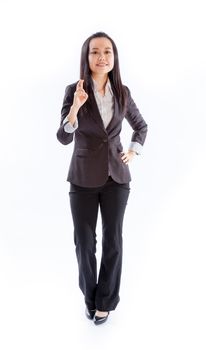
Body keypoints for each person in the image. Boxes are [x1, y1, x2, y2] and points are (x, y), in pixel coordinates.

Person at [56, 32, 148, 325]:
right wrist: (75, 108)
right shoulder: (74, 90)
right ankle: (90, 297)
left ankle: (106, 301)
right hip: (82, 177)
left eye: (107, 51)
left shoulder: (123, 91)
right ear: (86, 57)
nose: (102, 57)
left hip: (116, 178)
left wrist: (133, 150)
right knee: (84, 242)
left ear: (114, 57)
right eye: (95, 52)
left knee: (113, 240)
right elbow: (62, 137)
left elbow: (141, 126)